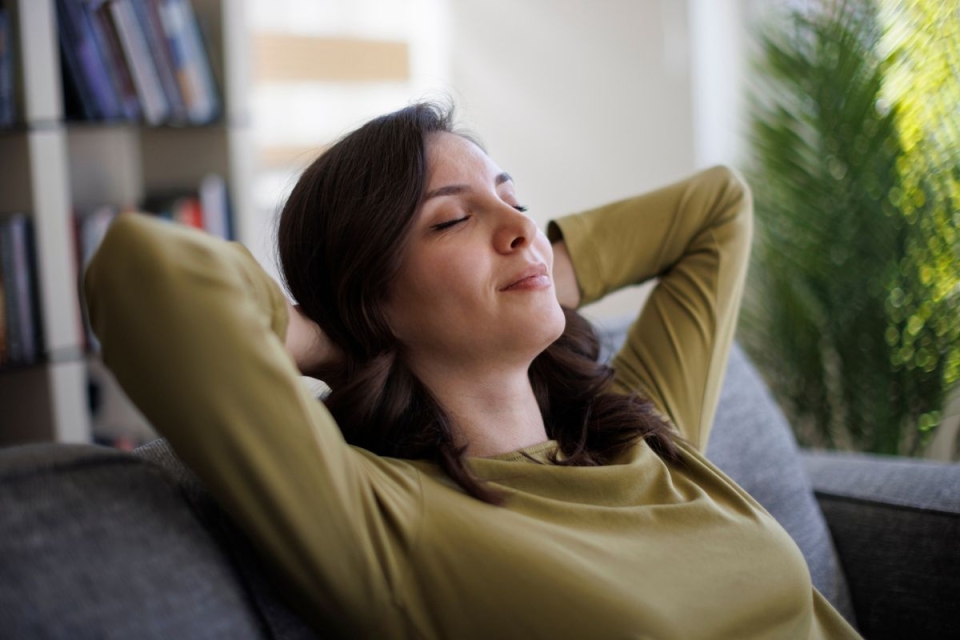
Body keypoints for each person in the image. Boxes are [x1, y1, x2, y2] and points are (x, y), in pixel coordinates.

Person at [83, 102, 862, 639]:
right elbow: (140, 271)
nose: (521, 224)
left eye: (512, 197)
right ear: (373, 296)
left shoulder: (637, 428)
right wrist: (333, 340)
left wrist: (527, 269)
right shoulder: (386, 521)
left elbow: (716, 208)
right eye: (453, 218)